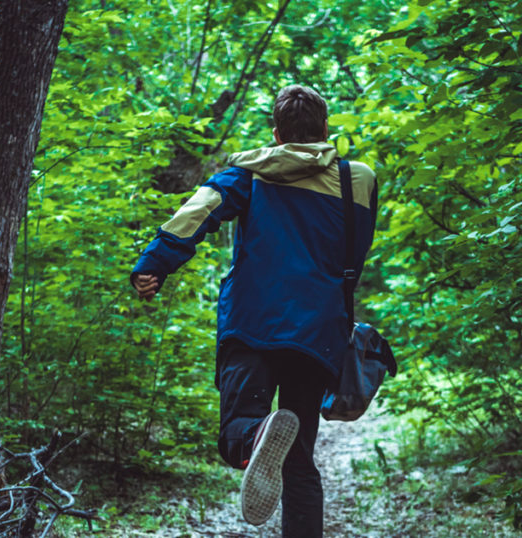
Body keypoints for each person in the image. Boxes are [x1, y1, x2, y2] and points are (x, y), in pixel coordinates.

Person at [130, 85, 377, 536]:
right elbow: (353, 257)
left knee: (236, 433)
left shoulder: (247, 174)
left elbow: (195, 213)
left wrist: (153, 265)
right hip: (317, 330)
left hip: (251, 324)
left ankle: (257, 434)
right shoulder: (356, 179)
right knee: (300, 459)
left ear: (277, 133)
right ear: (325, 128)